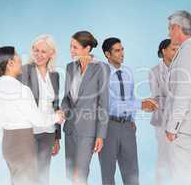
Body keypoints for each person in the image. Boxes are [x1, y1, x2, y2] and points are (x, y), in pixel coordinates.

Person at [0, 46, 64, 185]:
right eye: (18, 57)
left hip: (7, 142)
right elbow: (37, 119)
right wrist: (56, 117)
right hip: (23, 141)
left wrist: (7, 142)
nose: (21, 61)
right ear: (10, 63)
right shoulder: (22, 90)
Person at [99, 37, 158, 185]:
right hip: (108, 127)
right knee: (108, 173)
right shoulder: (102, 75)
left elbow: (131, 96)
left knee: (132, 173)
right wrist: (142, 105)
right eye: (117, 51)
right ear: (107, 54)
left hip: (127, 128)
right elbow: (112, 105)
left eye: (122, 49)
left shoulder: (128, 72)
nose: (122, 53)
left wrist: (132, 119)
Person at [164, 10, 191, 185]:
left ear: (177, 28)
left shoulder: (187, 54)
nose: (168, 33)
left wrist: (172, 127)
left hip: (184, 128)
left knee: (182, 177)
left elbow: (183, 94)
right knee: (190, 174)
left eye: (170, 28)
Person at [61, 31, 110, 185]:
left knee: (80, 174)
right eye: (70, 47)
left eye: (75, 47)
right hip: (70, 128)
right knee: (71, 174)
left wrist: (101, 135)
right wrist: (63, 111)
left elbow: (104, 103)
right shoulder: (70, 67)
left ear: (87, 48)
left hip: (88, 130)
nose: (71, 51)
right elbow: (66, 98)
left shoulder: (101, 68)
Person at [19, 34, 61, 185]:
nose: (38, 55)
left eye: (43, 51)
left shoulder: (55, 75)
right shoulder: (23, 71)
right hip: (28, 133)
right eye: (35, 50)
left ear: (52, 53)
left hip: (48, 133)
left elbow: (56, 106)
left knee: (43, 176)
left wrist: (57, 137)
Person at [149, 38, 179, 184]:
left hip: (179, 120)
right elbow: (156, 97)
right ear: (164, 51)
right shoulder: (154, 71)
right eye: (173, 49)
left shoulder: (180, 70)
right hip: (162, 120)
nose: (176, 52)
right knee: (163, 155)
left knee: (178, 157)